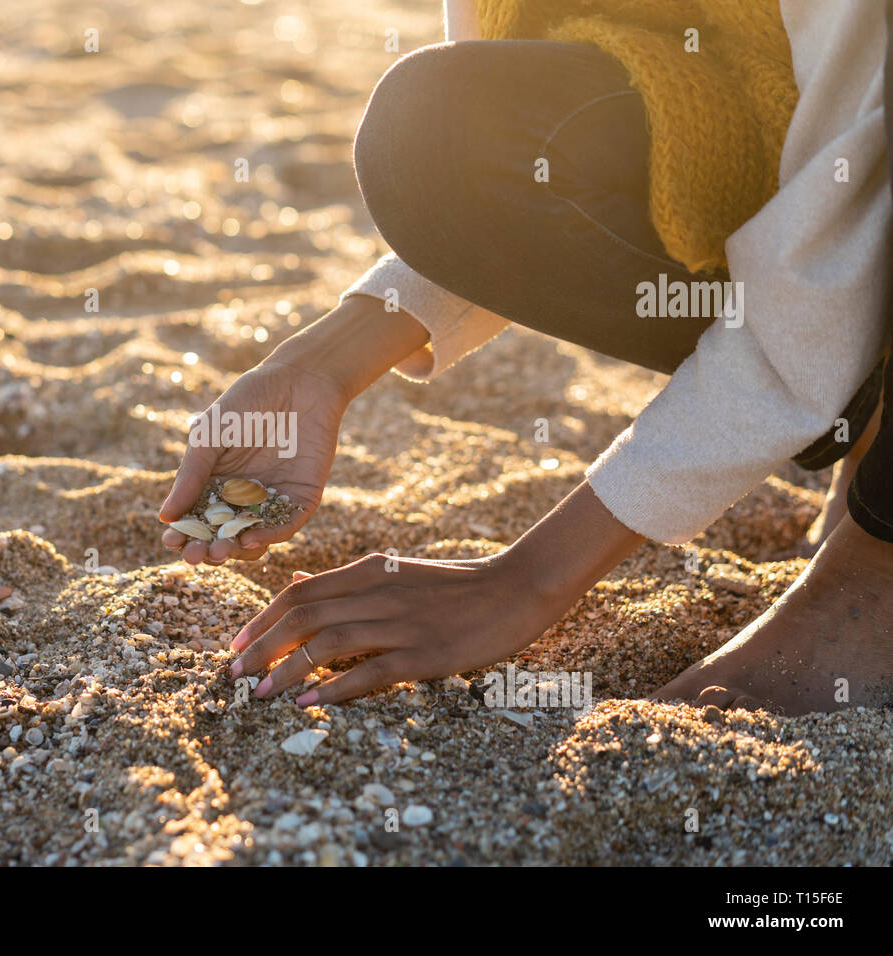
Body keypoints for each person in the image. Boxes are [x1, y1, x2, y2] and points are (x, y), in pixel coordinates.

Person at [160, 0, 891, 713]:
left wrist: (528, 579)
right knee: (439, 128)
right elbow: (495, 184)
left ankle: (879, 564)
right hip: (766, 109)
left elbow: (822, 284)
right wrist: (320, 363)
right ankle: (873, 420)